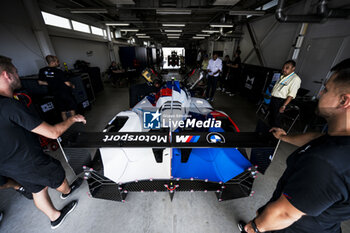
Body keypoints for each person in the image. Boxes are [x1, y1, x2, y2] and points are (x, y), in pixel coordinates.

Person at [239, 58, 350, 233]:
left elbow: (283, 214)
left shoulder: (326, 162)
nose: (320, 93)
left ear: (344, 101)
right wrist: (285, 137)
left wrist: (253, 227)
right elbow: (318, 137)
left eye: (326, 90)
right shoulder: (339, 140)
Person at [0, 56, 86, 229]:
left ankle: (55, 217)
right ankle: (67, 192)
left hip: (8, 166)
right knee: (57, 175)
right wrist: (73, 119)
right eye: (16, 72)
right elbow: (53, 133)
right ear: (7, 76)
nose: (18, 75)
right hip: (29, 160)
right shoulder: (9, 106)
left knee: (37, 189)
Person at [38, 55, 77, 121]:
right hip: (65, 93)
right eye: (57, 61)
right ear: (53, 62)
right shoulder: (58, 71)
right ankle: (73, 122)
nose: (58, 63)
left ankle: (65, 124)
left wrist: (52, 83)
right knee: (71, 108)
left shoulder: (42, 71)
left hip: (55, 93)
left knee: (62, 110)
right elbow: (67, 83)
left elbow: (40, 82)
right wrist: (72, 85)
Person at [269, 60, 301, 128]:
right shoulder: (282, 76)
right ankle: (269, 134)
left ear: (293, 68)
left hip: (281, 102)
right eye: (283, 67)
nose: (284, 69)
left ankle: (275, 137)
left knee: (276, 122)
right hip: (274, 100)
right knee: (271, 119)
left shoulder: (295, 79)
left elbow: (291, 95)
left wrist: (284, 106)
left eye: (287, 68)